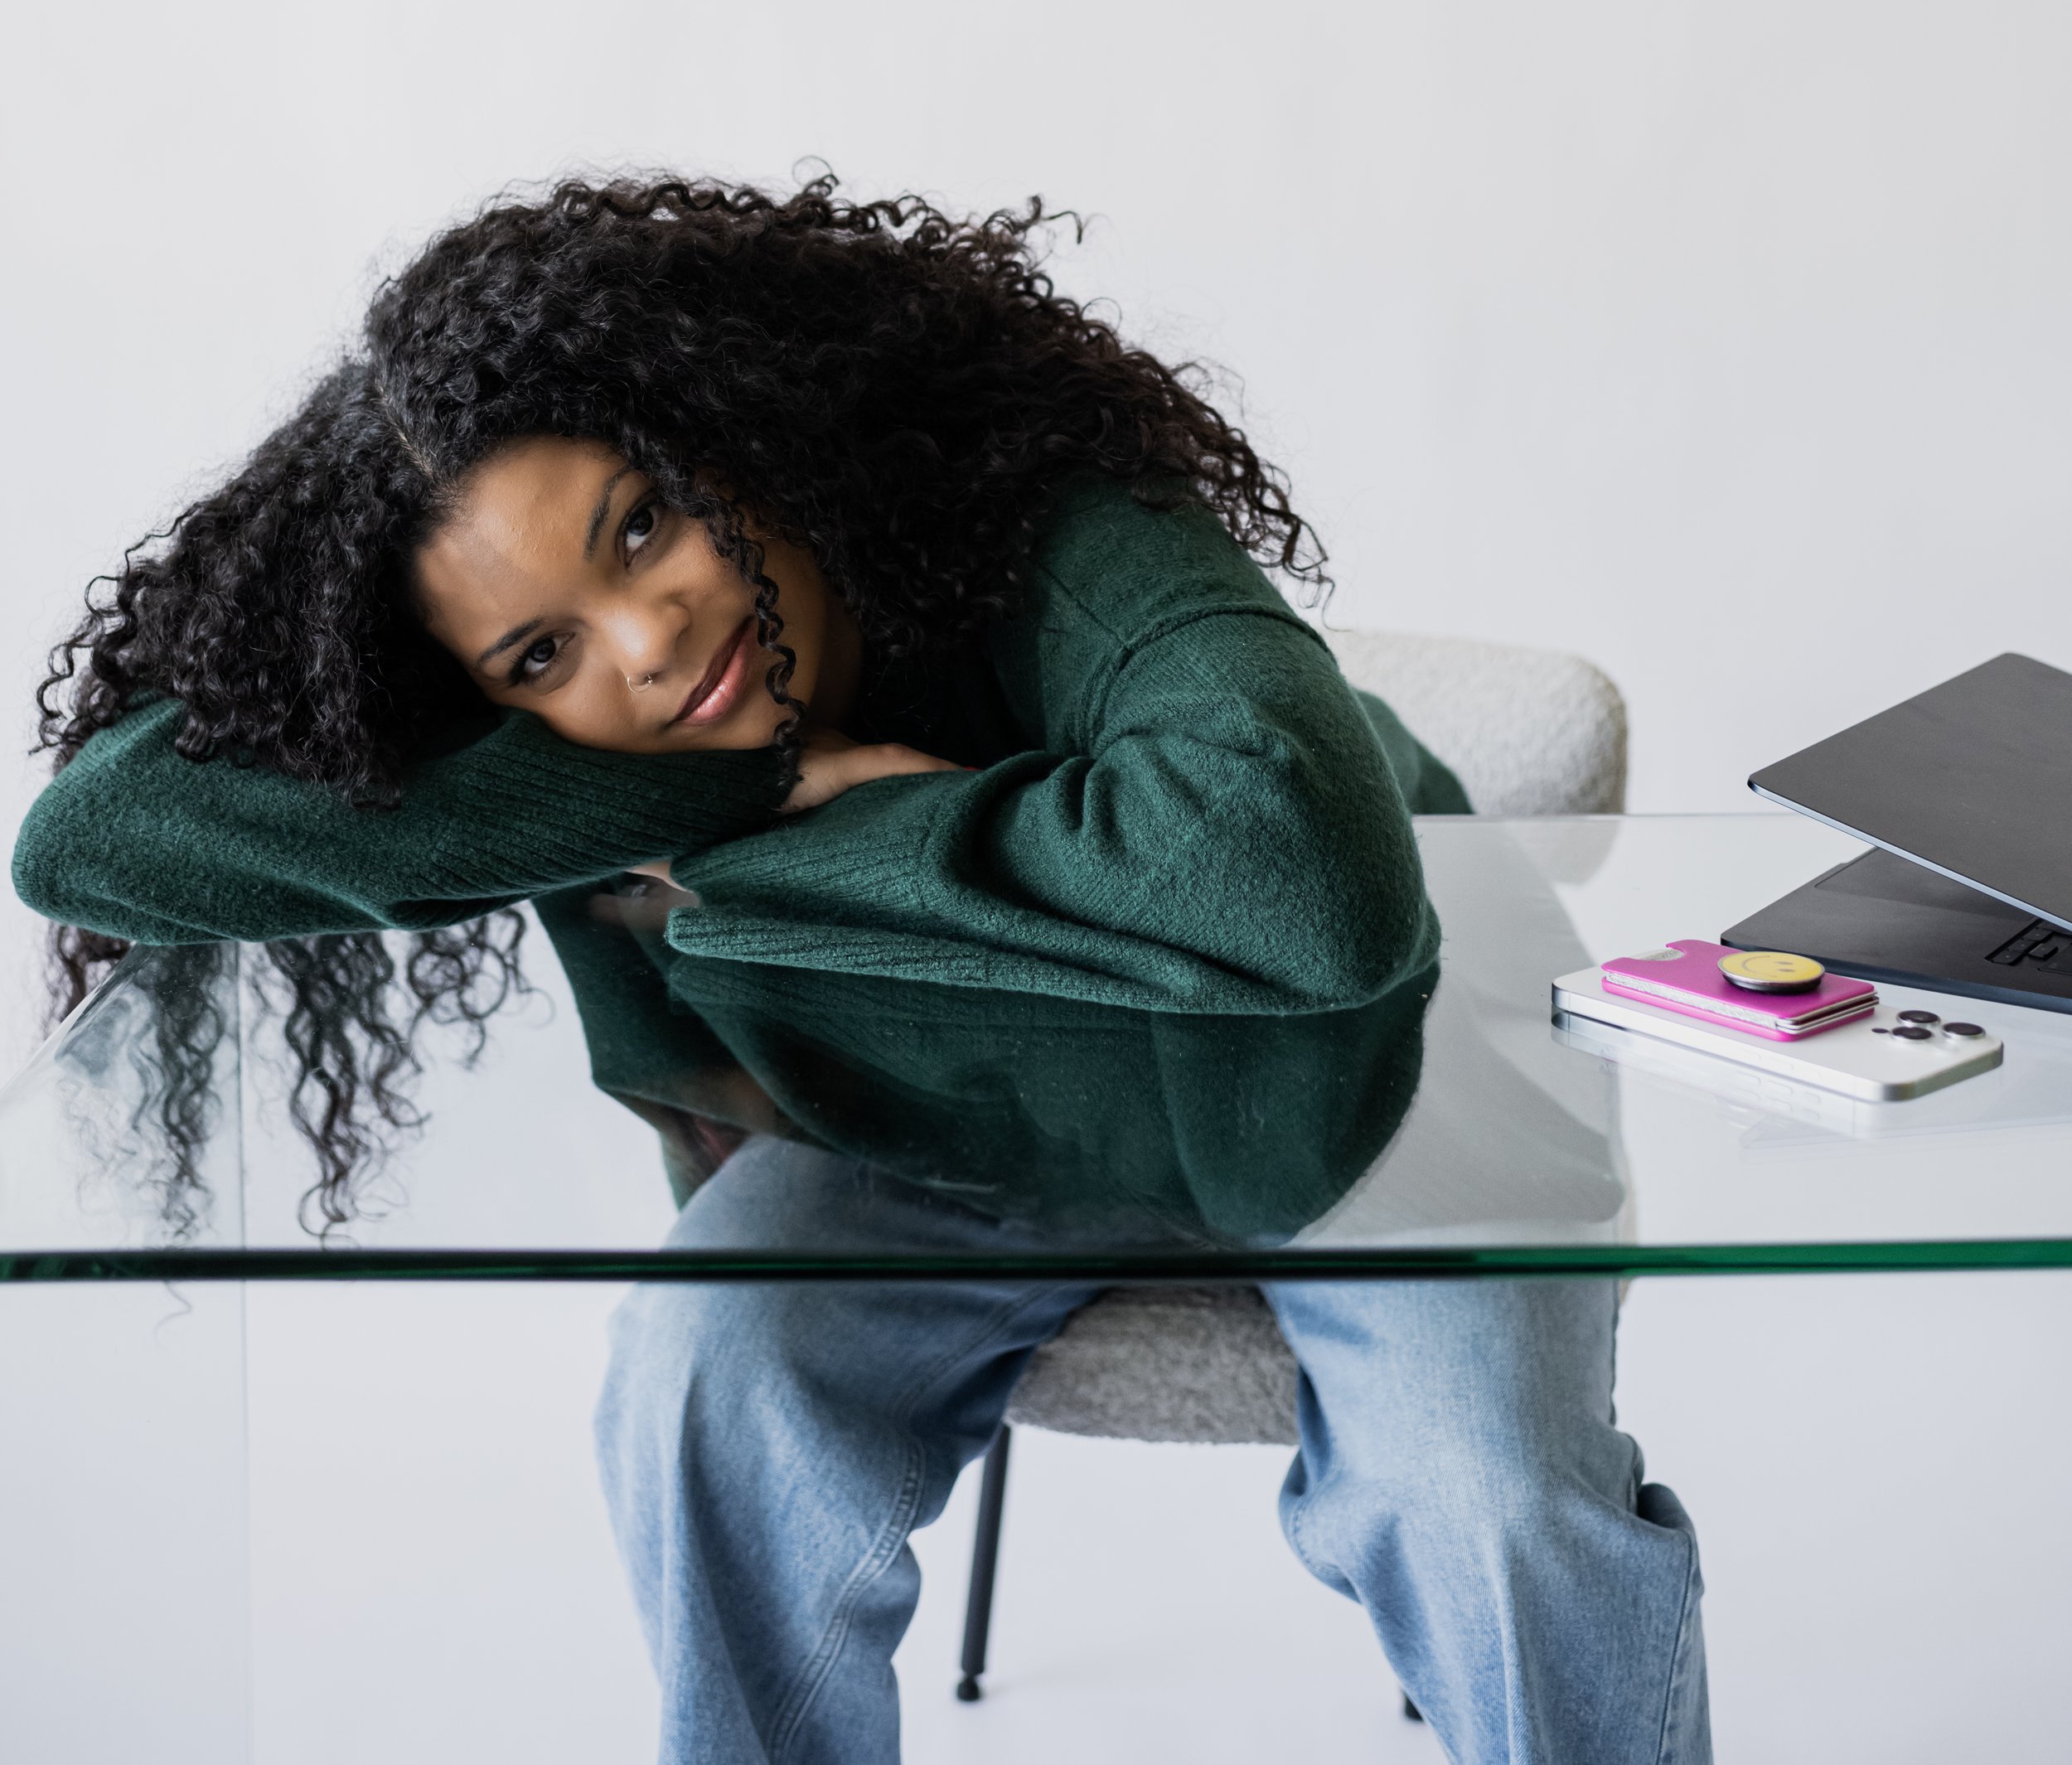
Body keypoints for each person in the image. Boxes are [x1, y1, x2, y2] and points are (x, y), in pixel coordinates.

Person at [13, 172, 1709, 1764]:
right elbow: (90, 843)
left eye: (643, 525)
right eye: (542, 649)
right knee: (703, 1394)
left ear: (736, 429)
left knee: (1483, 1495)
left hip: (1389, 1076)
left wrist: (880, 827)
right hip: (937, 1117)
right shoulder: (605, 728)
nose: (650, 637)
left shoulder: (1061, 528)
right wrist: (719, 770)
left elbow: (1294, 881)